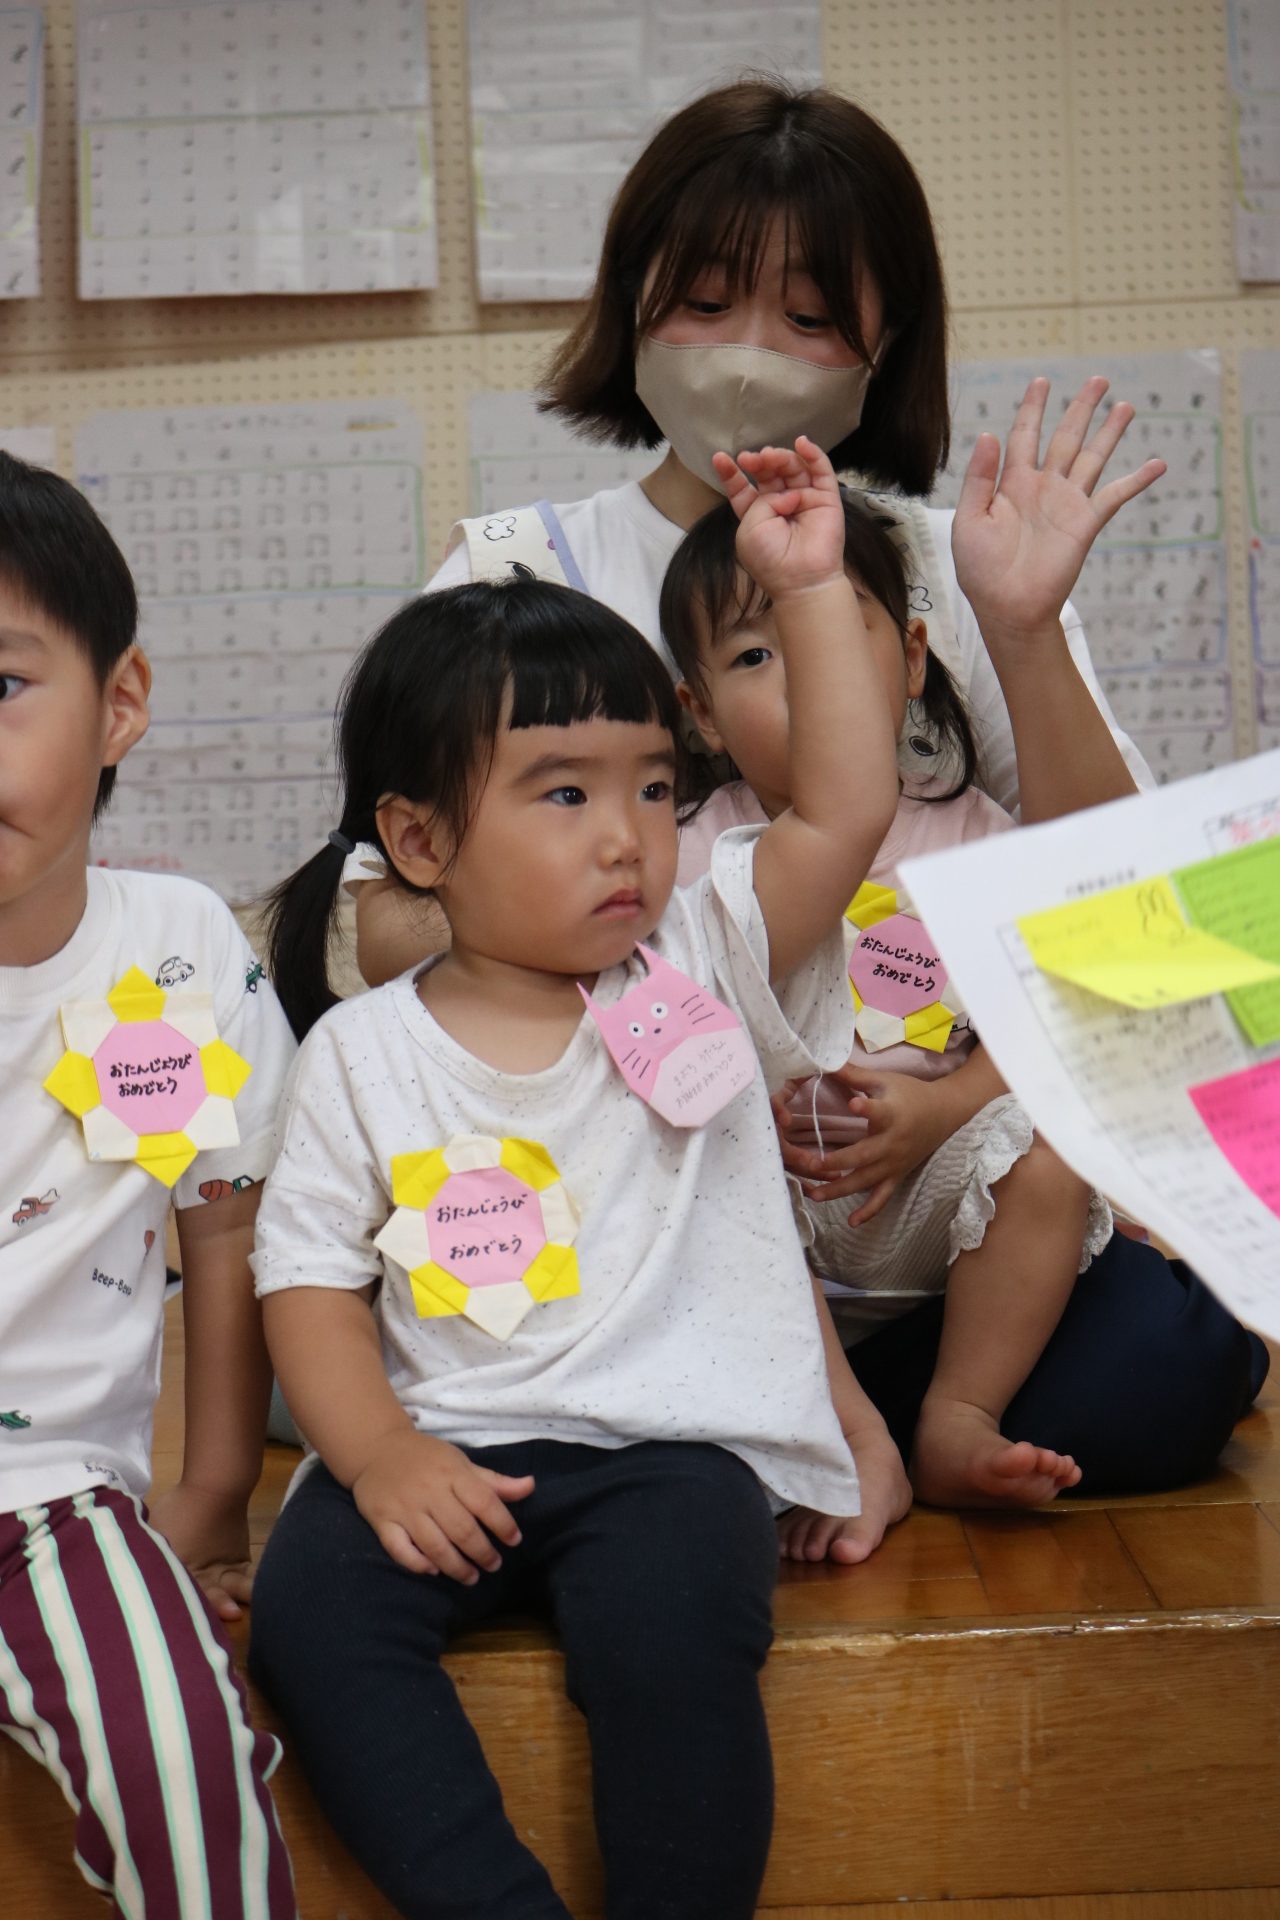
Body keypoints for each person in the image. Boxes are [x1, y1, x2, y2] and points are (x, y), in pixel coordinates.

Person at [247, 437, 898, 1919]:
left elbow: (845, 807)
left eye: (655, 788)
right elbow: (309, 1285)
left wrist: (807, 589)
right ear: (418, 840)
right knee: (312, 1618)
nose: (628, 836)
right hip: (446, 1438)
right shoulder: (361, 1051)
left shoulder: (702, 955)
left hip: (670, 1452)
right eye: (561, 794)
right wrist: (378, 1458)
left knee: (674, 1636)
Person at [350, 75, 1150, 982]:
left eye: (808, 319)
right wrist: (686, 985)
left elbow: (1124, 902)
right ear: (632, 300)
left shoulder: (961, 566)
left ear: (887, 343)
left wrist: (1023, 631)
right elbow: (386, 925)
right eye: (704, 304)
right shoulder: (508, 576)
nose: (749, 355)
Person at [663, 385, 1269, 1547]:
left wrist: (944, 1110)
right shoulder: (693, 847)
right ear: (697, 714)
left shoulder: (971, 833)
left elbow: (1077, 1011)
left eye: (832, 632)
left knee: (1042, 1153)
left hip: (942, 1217)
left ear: (908, 659)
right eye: (755, 653)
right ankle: (822, 1427)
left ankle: (955, 1413)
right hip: (770, 1228)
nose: (802, 674)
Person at [0, 453, 298, 1916]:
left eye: (0, 686)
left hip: (52, 1503)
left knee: (186, 1771)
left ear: (119, 701)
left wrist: (219, 1491)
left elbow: (228, 1230)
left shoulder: (177, 947)